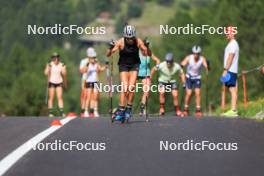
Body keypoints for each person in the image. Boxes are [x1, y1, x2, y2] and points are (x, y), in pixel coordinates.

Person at [106, 25, 147, 121]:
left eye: (131, 38)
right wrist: (110, 47)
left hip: (134, 65)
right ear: (125, 37)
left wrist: (146, 47)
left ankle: (128, 108)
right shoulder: (120, 42)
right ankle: (121, 110)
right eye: (128, 38)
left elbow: (145, 52)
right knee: (124, 88)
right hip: (123, 65)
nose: (130, 40)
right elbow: (109, 54)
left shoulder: (138, 41)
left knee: (131, 87)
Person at [181, 45, 209, 117]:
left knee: (198, 93)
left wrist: (207, 67)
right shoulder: (189, 58)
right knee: (189, 93)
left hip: (197, 77)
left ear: (199, 53)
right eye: (194, 53)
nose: (196, 55)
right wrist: (181, 70)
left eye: (197, 53)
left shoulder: (202, 59)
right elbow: (182, 65)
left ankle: (198, 110)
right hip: (189, 77)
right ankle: (185, 109)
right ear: (193, 53)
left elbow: (207, 67)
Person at [80, 48, 107, 118]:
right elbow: (83, 70)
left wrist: (105, 67)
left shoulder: (96, 63)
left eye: (94, 57)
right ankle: (86, 110)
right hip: (88, 81)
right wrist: (87, 65)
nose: (94, 59)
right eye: (92, 58)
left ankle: (95, 111)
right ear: (89, 58)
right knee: (88, 96)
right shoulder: (87, 63)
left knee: (95, 97)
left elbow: (100, 69)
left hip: (95, 81)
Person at [137, 39, 160, 116]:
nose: (146, 47)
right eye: (145, 45)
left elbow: (157, 60)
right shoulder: (137, 53)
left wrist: (156, 67)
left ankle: (142, 107)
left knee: (147, 91)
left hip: (146, 74)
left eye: (147, 45)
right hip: (136, 73)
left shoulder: (149, 53)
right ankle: (125, 108)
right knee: (129, 90)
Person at [222, 26, 239, 117]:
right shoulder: (232, 43)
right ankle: (233, 109)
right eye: (226, 32)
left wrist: (225, 70)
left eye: (228, 32)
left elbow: (231, 57)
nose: (226, 34)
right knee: (231, 89)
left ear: (233, 33)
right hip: (231, 70)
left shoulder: (233, 44)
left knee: (232, 89)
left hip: (230, 70)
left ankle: (233, 110)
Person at [44, 53, 67, 117]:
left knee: (59, 97)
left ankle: (62, 111)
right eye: (54, 58)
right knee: (51, 97)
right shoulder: (50, 64)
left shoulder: (62, 64)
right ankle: (50, 112)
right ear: (52, 59)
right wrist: (48, 68)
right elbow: (45, 73)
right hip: (52, 82)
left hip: (59, 82)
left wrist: (64, 70)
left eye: (57, 58)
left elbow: (64, 73)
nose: (56, 60)